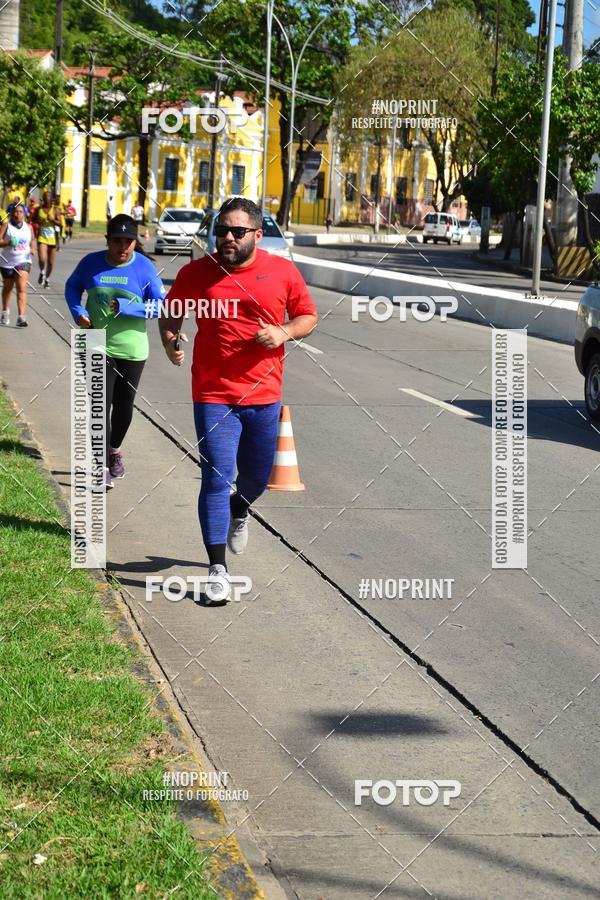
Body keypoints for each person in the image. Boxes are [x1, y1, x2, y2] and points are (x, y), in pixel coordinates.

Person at [159, 197, 318, 604]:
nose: (227, 238)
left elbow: (308, 316)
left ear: (257, 235)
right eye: (221, 231)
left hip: (264, 395)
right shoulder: (198, 273)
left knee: (256, 478)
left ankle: (240, 507)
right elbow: (170, 312)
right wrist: (172, 341)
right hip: (212, 393)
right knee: (215, 477)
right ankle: (217, 570)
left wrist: (283, 332)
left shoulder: (281, 271)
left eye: (237, 231)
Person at [65, 214, 165, 489]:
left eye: (128, 242)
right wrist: (78, 311)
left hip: (132, 348)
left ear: (135, 242)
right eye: (117, 241)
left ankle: (115, 449)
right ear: (107, 240)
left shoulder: (144, 269)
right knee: (99, 405)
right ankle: (101, 467)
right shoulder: (90, 263)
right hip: (95, 342)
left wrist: (129, 307)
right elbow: (72, 286)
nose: (123, 247)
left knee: (123, 407)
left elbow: (161, 306)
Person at [0, 203, 35, 327]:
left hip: (23, 261)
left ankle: (21, 316)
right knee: (8, 288)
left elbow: (33, 240)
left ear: (24, 214)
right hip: (7, 262)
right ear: (11, 213)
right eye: (15, 212)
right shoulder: (6, 226)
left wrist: (32, 249)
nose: (17, 214)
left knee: (21, 287)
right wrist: (8, 242)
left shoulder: (28, 227)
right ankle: (5, 311)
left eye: (20, 212)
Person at [33, 191, 61, 288]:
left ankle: (47, 279)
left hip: (52, 239)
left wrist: (53, 219)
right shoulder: (38, 209)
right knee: (42, 258)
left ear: (51, 199)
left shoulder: (56, 210)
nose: (47, 200)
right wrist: (38, 221)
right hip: (42, 237)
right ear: (43, 199)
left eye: (48, 198)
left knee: (50, 262)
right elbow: (33, 219)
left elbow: (60, 223)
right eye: (45, 198)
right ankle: (42, 272)